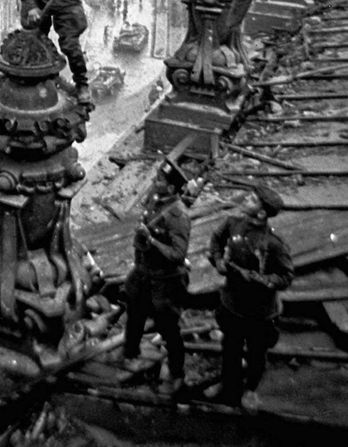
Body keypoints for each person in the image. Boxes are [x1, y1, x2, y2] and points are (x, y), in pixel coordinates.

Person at [205, 185, 294, 413]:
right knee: (230, 348)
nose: (246, 199)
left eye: (253, 199)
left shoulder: (273, 243)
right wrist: (218, 261)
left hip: (260, 311)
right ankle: (228, 384)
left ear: (262, 213)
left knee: (256, 353)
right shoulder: (232, 223)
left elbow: (286, 275)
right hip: (233, 303)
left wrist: (265, 281)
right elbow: (215, 241)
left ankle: (251, 390)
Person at [123, 161, 191, 396]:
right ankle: (130, 356)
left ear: (172, 189)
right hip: (143, 274)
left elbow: (178, 255)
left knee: (168, 328)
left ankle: (177, 374)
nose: (155, 182)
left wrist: (152, 242)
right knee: (134, 316)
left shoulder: (178, 215)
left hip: (165, 282)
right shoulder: (155, 199)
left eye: (161, 181)